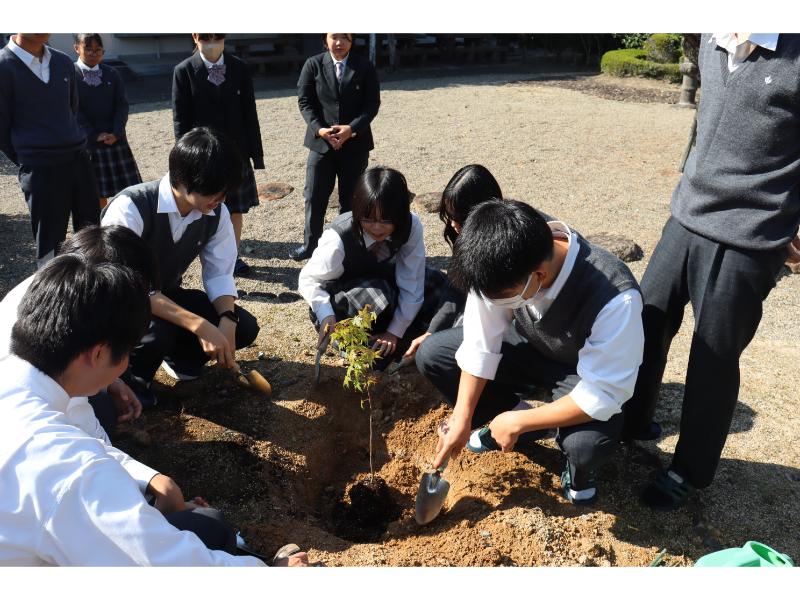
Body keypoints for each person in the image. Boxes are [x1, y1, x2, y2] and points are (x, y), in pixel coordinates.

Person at [0, 253, 307, 566]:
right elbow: (163, 565)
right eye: (129, 352)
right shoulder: (68, 470)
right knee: (212, 530)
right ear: (98, 353)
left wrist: (148, 481)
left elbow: (92, 444)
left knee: (206, 524)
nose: (125, 367)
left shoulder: (29, 385)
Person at [621, 33, 800, 511]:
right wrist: (689, 175)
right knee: (646, 319)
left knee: (713, 356)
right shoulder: (711, 36)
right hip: (687, 213)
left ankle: (688, 470)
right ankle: (632, 421)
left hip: (749, 230)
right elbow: (703, 122)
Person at [416, 200, 644, 505]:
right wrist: (462, 416)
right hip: (530, 347)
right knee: (435, 355)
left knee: (584, 445)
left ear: (538, 274)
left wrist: (522, 422)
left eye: (504, 297)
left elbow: (602, 392)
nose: (496, 301)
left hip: (580, 372)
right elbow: (480, 342)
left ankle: (565, 459)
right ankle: (519, 418)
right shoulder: (502, 257)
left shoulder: (616, 298)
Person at [101, 126, 259, 406]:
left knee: (245, 327)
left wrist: (226, 320)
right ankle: (131, 380)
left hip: (164, 296)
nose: (221, 202)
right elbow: (130, 289)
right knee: (156, 332)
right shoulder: (130, 208)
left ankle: (182, 361)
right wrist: (200, 326)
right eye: (215, 193)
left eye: (224, 194)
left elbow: (219, 273)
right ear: (184, 181)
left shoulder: (214, 212)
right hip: (120, 305)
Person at [0, 225, 158, 439]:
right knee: (102, 417)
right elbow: (86, 428)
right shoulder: (44, 383)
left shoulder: (58, 292)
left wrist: (112, 382)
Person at [299, 166, 443, 363]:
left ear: (400, 214)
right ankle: (354, 343)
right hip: (345, 301)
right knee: (377, 295)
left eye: (386, 220)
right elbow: (309, 280)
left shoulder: (411, 225)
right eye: (368, 219)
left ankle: (396, 337)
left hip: (385, 285)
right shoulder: (338, 238)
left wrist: (394, 332)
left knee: (436, 281)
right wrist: (326, 315)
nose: (376, 228)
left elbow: (412, 279)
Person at [0, 33, 99, 268]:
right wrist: (30, 156)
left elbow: (71, 110)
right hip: (40, 168)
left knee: (92, 235)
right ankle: (52, 299)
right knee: (50, 245)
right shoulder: (4, 67)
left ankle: (93, 293)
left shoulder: (63, 62)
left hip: (79, 160)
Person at [172, 33, 264, 276]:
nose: (212, 41)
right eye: (205, 36)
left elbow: (249, 112)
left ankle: (232, 257)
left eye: (218, 35)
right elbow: (180, 119)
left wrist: (256, 154)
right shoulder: (184, 71)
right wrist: (184, 159)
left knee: (234, 208)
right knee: (203, 208)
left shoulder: (239, 68)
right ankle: (206, 260)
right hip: (203, 155)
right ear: (194, 36)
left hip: (236, 152)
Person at [292, 33, 381, 261]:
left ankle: (347, 245)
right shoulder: (313, 64)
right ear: (325, 39)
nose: (339, 42)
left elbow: (372, 103)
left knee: (351, 199)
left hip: (355, 143)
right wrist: (319, 129)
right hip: (321, 143)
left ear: (352, 41)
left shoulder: (364, 66)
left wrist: (351, 129)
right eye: (334, 37)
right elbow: (305, 101)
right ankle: (311, 245)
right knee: (314, 195)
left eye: (345, 38)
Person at [403, 164, 503, 360]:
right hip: (486, 308)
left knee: (434, 351)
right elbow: (455, 287)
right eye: (449, 217)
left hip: (505, 320)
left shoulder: (504, 240)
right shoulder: (467, 237)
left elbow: (494, 315)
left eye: (458, 218)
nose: (452, 224)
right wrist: (432, 331)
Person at [73, 33, 142, 208]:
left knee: (128, 192)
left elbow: (122, 105)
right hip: (89, 144)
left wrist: (116, 132)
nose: (93, 53)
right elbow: (73, 110)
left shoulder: (112, 73)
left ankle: (123, 224)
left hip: (115, 140)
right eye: (88, 48)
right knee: (96, 192)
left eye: (98, 49)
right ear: (77, 48)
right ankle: (101, 229)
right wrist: (93, 135)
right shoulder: (71, 75)